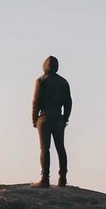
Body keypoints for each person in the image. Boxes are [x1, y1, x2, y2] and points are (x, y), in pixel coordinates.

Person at [31, 55, 72, 188]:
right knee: (61, 148)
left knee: (45, 149)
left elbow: (36, 101)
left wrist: (34, 119)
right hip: (58, 119)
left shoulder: (41, 80)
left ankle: (45, 179)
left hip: (44, 118)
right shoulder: (64, 82)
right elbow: (68, 102)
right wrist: (65, 118)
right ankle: (63, 179)